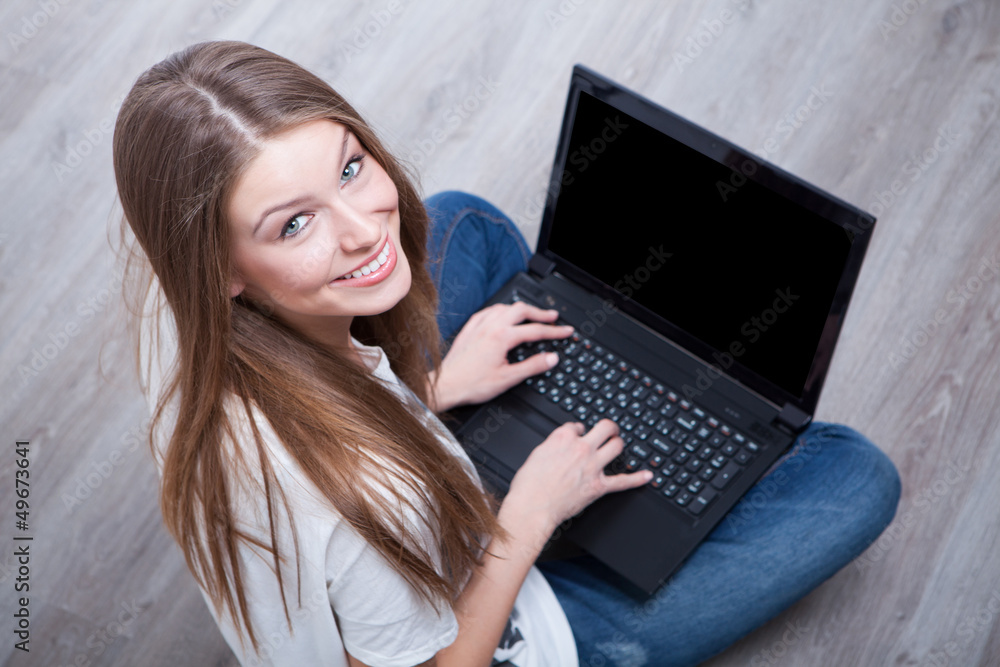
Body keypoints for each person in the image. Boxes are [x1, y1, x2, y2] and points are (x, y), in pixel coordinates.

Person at [113, 41, 900, 667]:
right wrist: (529, 514)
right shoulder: (370, 499)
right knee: (852, 475)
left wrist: (435, 386)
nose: (363, 228)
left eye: (350, 168)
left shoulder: (172, 308)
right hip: (508, 631)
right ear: (220, 271)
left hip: (410, 490)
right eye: (294, 224)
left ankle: (522, 402)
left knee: (465, 223)